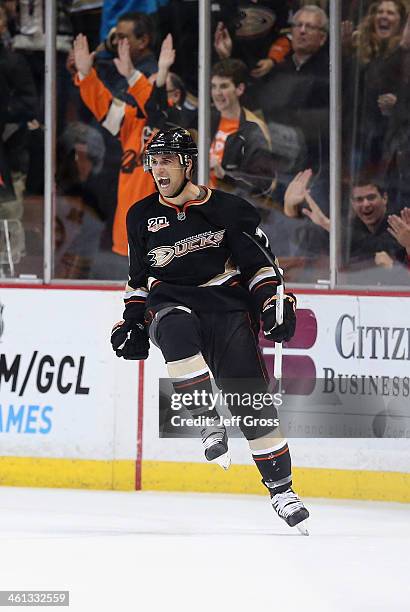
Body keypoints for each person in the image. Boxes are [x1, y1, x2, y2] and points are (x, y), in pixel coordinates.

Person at [110, 126, 310, 532]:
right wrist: (131, 320)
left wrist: (274, 303)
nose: (158, 169)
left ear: (187, 163)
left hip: (226, 309)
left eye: (167, 160)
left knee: (253, 408)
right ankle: (206, 419)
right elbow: (138, 280)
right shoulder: (141, 216)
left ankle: (282, 491)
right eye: (154, 161)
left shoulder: (230, 211)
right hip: (172, 302)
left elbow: (261, 268)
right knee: (173, 326)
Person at [284, 171, 410, 268]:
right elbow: (311, 237)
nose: (366, 204)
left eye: (371, 197)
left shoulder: (400, 222)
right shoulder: (351, 225)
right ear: (352, 203)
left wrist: (327, 224)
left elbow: (377, 245)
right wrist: (290, 209)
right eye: (359, 199)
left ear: (385, 198)